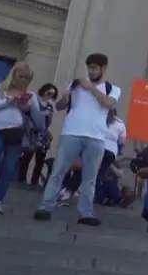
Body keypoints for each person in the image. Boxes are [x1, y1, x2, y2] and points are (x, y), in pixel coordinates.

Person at [34, 54, 121, 226]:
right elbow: (59, 106)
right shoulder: (75, 84)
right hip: (71, 133)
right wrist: (65, 97)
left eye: (95, 68)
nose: (91, 71)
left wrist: (91, 88)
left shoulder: (113, 88)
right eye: (89, 67)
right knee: (59, 171)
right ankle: (45, 207)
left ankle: (85, 213)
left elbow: (109, 104)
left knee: (90, 176)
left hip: (96, 137)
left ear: (103, 68)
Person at [0, 62, 42, 214]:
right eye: (21, 76)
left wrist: (28, 106)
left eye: (27, 78)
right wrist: (7, 101)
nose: (23, 80)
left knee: (9, 169)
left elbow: (39, 122)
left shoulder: (30, 95)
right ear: (13, 74)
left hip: (17, 134)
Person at [18, 83, 57, 187]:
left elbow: (49, 123)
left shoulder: (49, 106)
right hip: (31, 133)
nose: (49, 95)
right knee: (27, 157)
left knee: (40, 160)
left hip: (42, 135)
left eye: (52, 94)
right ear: (44, 90)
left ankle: (34, 182)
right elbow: (26, 111)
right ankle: (21, 180)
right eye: (49, 92)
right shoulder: (34, 100)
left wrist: (49, 114)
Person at [95, 109, 126, 203]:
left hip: (99, 148)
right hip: (111, 152)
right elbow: (122, 141)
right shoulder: (120, 124)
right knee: (101, 174)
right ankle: (111, 196)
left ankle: (100, 196)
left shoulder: (100, 118)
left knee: (96, 174)